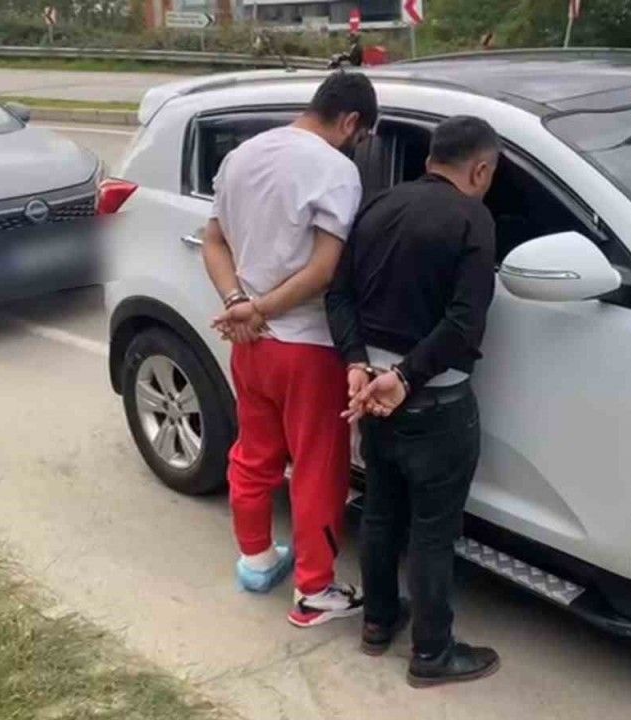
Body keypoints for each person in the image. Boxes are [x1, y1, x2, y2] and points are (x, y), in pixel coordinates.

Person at [326, 116, 502, 686]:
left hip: (371, 396)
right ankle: (432, 654)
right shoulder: (473, 218)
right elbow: (465, 322)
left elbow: (339, 294)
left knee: (380, 512)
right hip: (435, 405)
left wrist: (357, 362)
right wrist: (406, 376)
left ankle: (377, 624)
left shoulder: (378, 204)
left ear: (430, 158)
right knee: (432, 532)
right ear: (480, 169)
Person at [203, 72, 378, 628]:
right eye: (361, 138)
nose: (357, 147)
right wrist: (262, 310)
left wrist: (239, 303)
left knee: (254, 453)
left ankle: (256, 559)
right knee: (318, 469)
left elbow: (213, 240)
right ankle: (314, 592)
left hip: (250, 346)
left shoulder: (242, 156)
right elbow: (324, 271)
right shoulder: (335, 170)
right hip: (307, 347)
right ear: (351, 122)